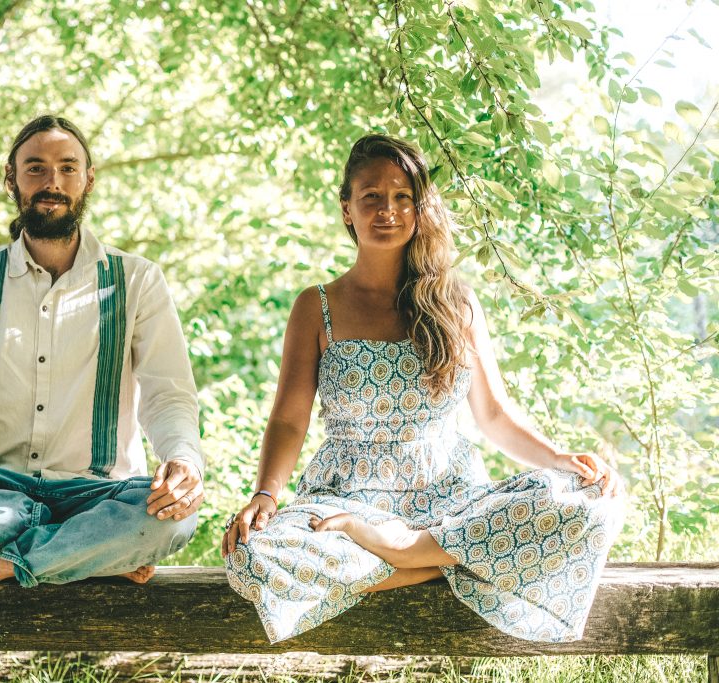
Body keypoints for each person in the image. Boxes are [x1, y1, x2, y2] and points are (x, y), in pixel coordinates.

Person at [221, 134, 625, 644]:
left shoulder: (456, 303)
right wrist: (266, 494)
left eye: (402, 197)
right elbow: (288, 418)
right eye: (371, 196)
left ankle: (412, 551)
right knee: (251, 555)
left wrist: (560, 458)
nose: (387, 209)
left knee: (595, 502)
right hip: (346, 500)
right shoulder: (316, 305)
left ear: (418, 208)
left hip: (448, 501)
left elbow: (494, 415)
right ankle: (459, 562)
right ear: (347, 209)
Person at [0, 115, 204, 588]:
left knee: (176, 517)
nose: (53, 183)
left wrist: (183, 458)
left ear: (88, 180)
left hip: (97, 494)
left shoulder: (138, 280)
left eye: (68, 168)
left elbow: (167, 395)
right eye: (36, 168)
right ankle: (85, 552)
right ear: (11, 179)